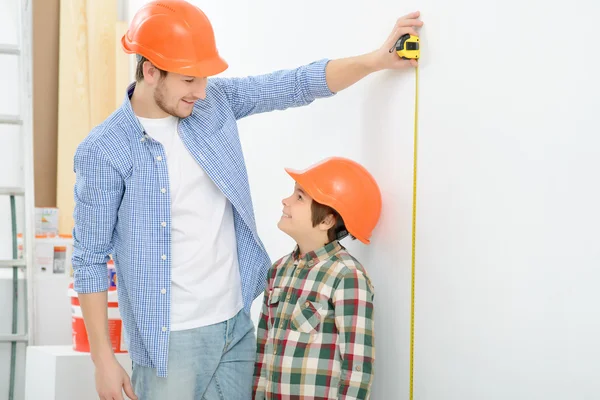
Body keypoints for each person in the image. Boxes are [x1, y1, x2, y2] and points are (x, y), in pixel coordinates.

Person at [70, 0, 422, 399]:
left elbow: (295, 84)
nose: (201, 92)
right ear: (150, 71)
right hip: (170, 341)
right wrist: (103, 358)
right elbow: (89, 259)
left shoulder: (214, 103)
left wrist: (375, 60)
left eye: (205, 78)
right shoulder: (104, 150)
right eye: (189, 80)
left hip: (236, 326)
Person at [253, 157, 381, 399]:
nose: (286, 201)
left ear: (326, 220)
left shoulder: (347, 276)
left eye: (299, 197)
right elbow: (262, 351)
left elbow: (357, 366)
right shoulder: (278, 270)